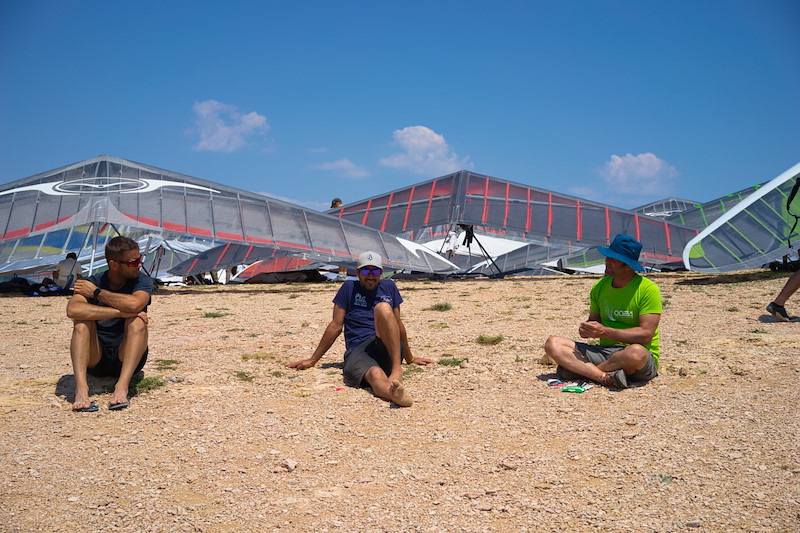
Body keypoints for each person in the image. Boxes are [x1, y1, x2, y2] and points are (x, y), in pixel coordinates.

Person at [286, 251, 432, 406]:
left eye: (375, 272)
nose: (371, 276)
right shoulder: (348, 288)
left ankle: (397, 369)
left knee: (383, 308)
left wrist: (410, 358)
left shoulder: (389, 286)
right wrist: (313, 359)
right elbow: (335, 326)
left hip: (386, 345)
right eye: (366, 271)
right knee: (375, 373)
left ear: (381, 273)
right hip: (358, 348)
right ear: (357, 273)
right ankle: (393, 393)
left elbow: (397, 324)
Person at [543, 234, 661, 389]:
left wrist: (605, 332)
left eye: (613, 259)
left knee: (635, 353)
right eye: (607, 257)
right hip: (605, 352)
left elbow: (645, 335)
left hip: (636, 356)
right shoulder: (600, 286)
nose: (606, 261)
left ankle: (583, 371)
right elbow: (594, 321)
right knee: (553, 343)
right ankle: (604, 377)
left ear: (627, 265)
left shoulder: (648, 289)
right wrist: (588, 329)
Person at [66, 236, 152, 411]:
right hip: (96, 357)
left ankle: (122, 387)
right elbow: (73, 310)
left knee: (137, 321)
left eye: (140, 259)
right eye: (133, 262)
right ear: (114, 264)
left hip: (128, 356)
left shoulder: (141, 280)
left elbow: (134, 304)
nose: (139, 265)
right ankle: (81, 390)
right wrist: (119, 312)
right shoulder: (92, 281)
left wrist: (97, 293)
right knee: (81, 323)